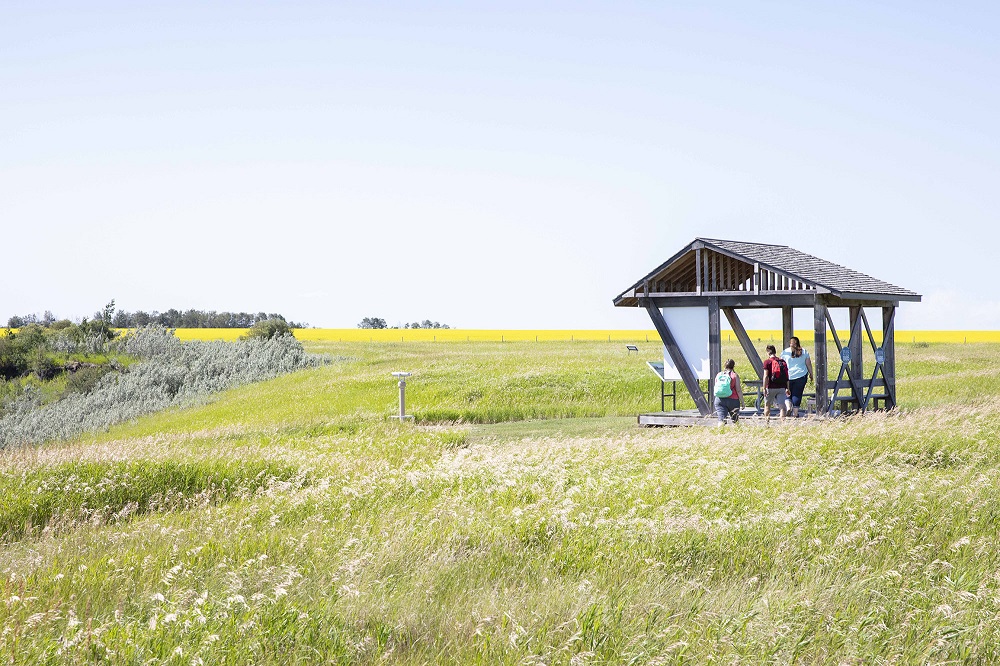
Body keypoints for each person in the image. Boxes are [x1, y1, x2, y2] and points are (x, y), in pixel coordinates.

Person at [781, 336, 814, 417]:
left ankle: (788, 407)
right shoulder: (804, 351)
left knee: (787, 393)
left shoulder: (785, 352)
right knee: (797, 394)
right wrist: (811, 374)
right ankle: (795, 414)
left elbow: (782, 365)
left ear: (790, 343)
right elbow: (808, 364)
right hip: (801, 376)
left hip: (788, 376)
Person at [762, 344, 791, 423]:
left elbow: (765, 376)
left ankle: (767, 422)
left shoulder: (767, 362)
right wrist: (787, 388)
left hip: (771, 387)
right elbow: (787, 376)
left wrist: (764, 388)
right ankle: (783, 422)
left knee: (767, 405)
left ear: (768, 352)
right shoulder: (782, 361)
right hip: (781, 387)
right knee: (782, 406)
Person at [713, 359, 742, 425]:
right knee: (735, 421)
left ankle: (720, 433)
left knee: (721, 420)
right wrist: (742, 402)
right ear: (733, 366)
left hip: (719, 399)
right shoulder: (734, 375)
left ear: (725, 366)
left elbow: (716, 386)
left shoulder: (719, 374)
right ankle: (736, 434)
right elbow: (738, 390)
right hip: (733, 400)